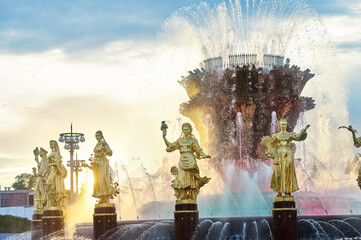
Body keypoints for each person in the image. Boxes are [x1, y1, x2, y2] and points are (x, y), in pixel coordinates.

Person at [162, 122, 211, 202]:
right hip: (182, 160)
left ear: (190, 130)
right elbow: (171, 146)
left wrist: (204, 155)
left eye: (187, 129)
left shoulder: (193, 140)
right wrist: (164, 137)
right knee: (181, 178)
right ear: (182, 130)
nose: (185, 131)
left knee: (192, 179)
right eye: (184, 129)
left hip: (191, 160)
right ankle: (181, 196)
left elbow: (198, 150)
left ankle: (192, 196)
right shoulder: (180, 140)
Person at [265, 118, 310, 199]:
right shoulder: (276, 135)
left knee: (288, 172)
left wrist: (304, 130)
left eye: (284, 125)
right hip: (279, 155)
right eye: (282, 125)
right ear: (279, 125)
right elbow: (271, 145)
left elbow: (299, 137)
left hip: (288, 155)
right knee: (279, 172)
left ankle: (288, 192)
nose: (283, 126)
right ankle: (279, 191)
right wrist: (269, 152)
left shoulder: (289, 134)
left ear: (286, 125)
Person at [91, 130, 117, 204]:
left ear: (101, 136)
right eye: (96, 136)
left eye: (98, 135)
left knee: (102, 179)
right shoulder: (97, 144)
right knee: (97, 181)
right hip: (96, 163)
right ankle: (101, 196)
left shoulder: (104, 144)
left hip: (103, 162)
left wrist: (106, 151)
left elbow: (110, 153)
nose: (97, 137)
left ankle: (104, 196)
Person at [45, 140, 67, 207]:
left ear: (55, 145)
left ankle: (55, 201)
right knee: (49, 186)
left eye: (52, 144)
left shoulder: (57, 153)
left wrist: (51, 164)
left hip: (54, 170)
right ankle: (52, 202)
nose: (51, 145)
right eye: (50, 144)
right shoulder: (51, 153)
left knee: (50, 184)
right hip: (50, 170)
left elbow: (57, 163)